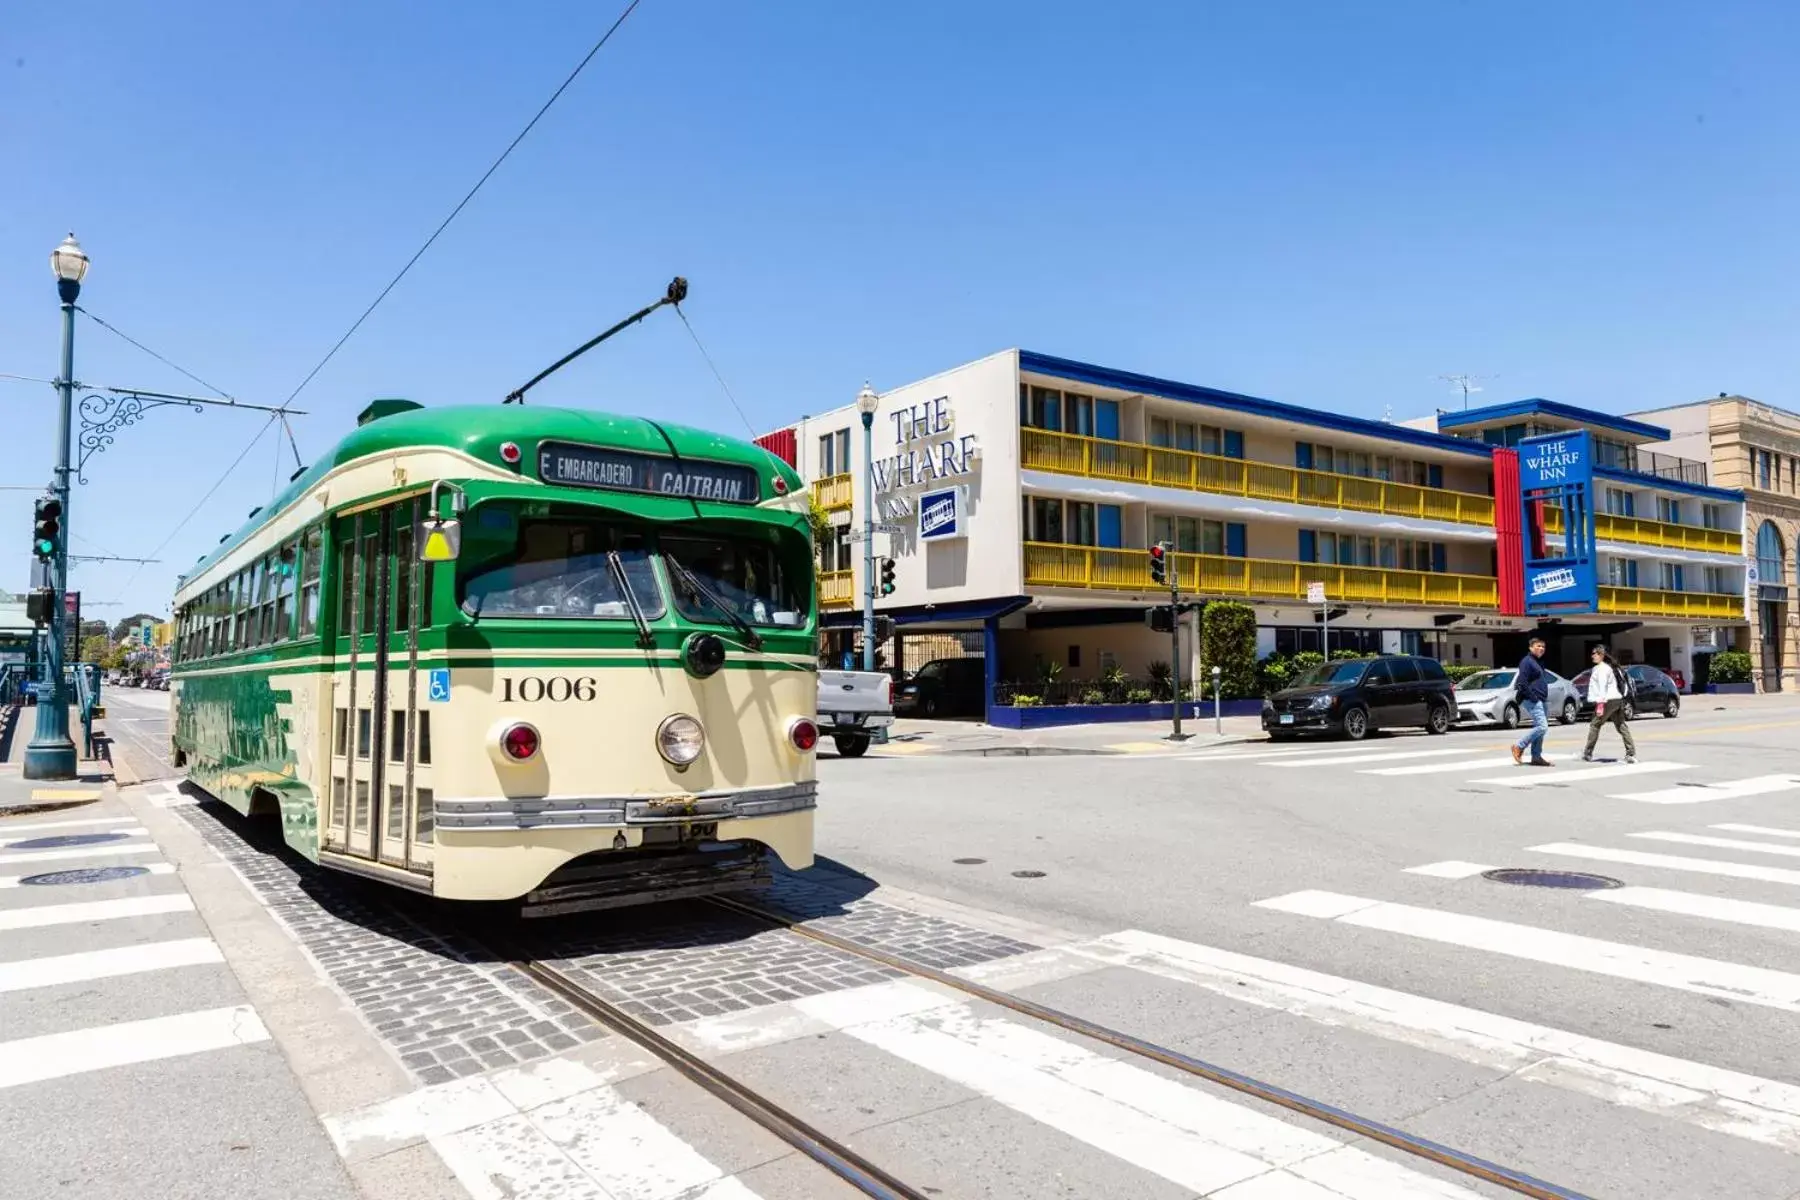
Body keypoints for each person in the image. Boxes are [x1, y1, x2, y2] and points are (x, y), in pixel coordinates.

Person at [1581, 646, 1637, 763]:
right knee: (1621, 725)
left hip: (1607, 700)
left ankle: (1588, 753)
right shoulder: (1608, 668)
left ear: (1601, 655)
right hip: (1617, 699)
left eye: (1594, 653)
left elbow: (1602, 686)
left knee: (1595, 725)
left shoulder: (1601, 669)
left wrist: (1600, 704)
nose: (1592, 656)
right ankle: (1630, 753)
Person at [1510, 636, 1552, 766]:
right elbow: (1522, 682)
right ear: (1531, 647)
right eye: (1538, 646)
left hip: (1541, 699)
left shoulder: (1539, 662)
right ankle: (1519, 746)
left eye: (1543, 647)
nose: (1541, 649)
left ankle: (1536, 756)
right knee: (1542, 726)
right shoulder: (1526, 662)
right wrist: (1533, 698)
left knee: (1540, 729)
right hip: (1532, 699)